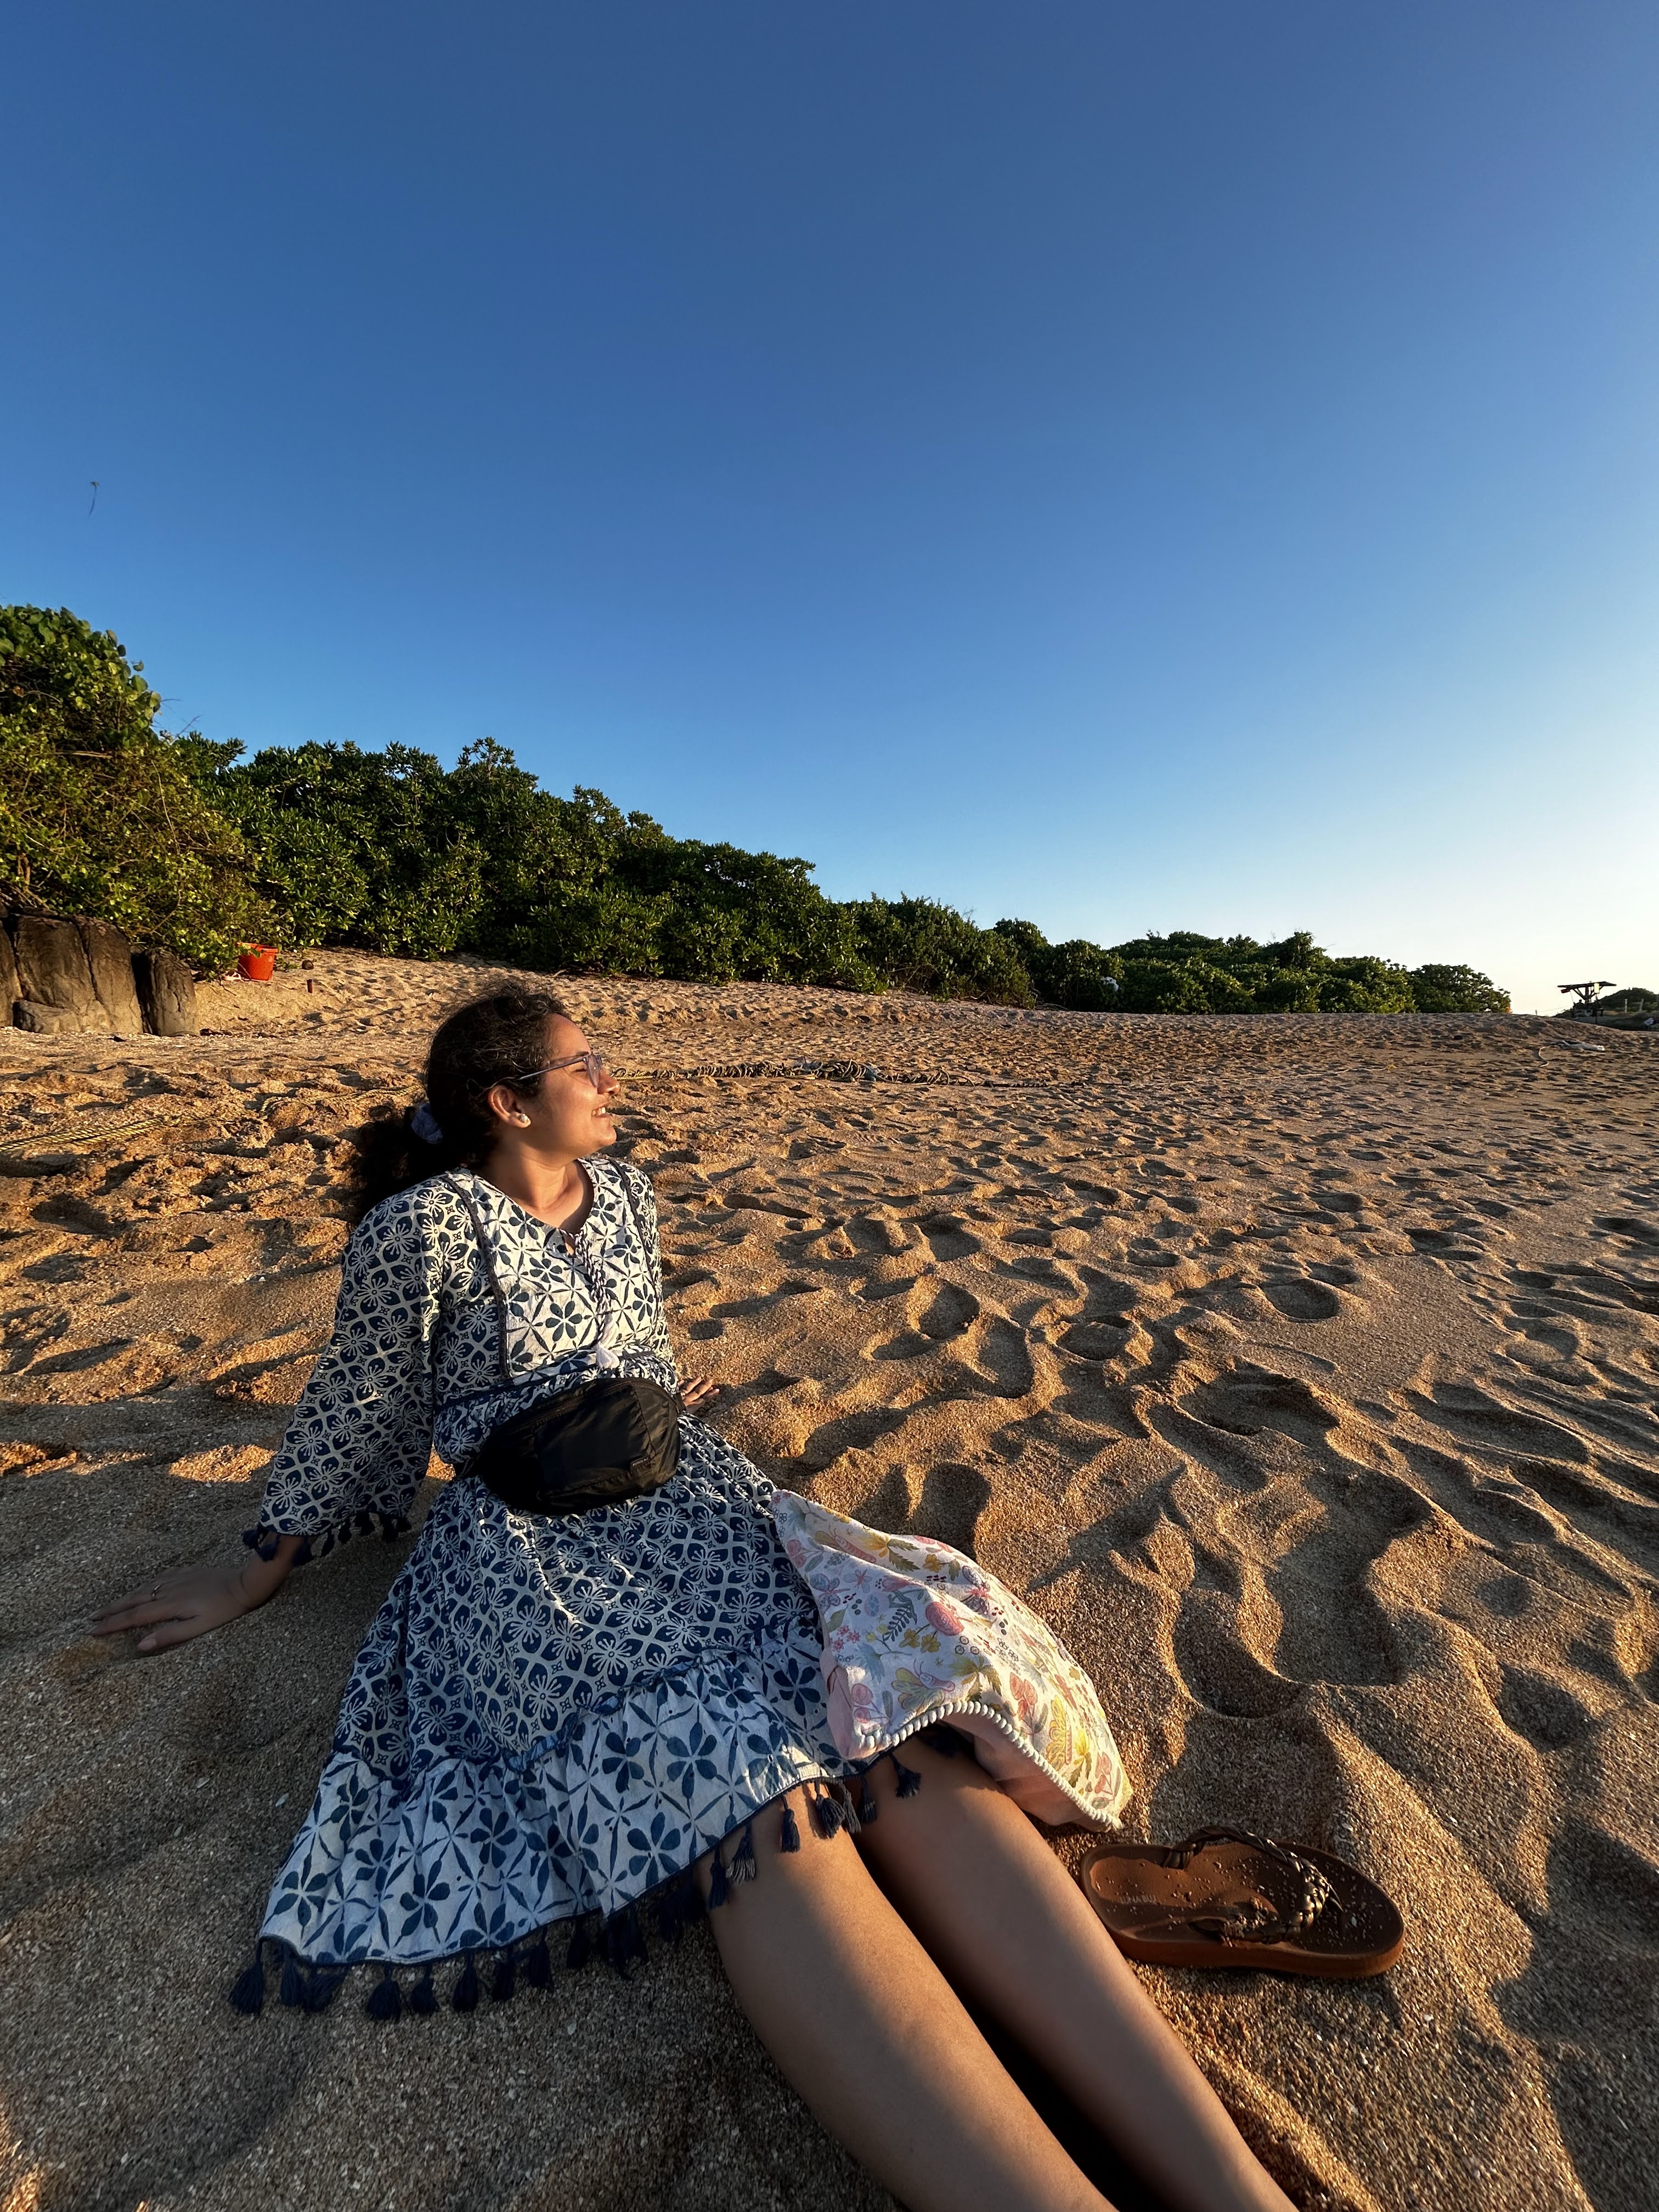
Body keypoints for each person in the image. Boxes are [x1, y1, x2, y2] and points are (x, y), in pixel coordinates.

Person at [94, 988, 1296, 2212]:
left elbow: (639, 1337)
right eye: (585, 1066)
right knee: (753, 1807)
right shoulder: (424, 1229)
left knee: (891, 1734)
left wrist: (657, 1394)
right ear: (510, 1103)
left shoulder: (625, 1194)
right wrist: (256, 1564)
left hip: (687, 1489)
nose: (612, 1083)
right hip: (525, 1540)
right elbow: (360, 1406)